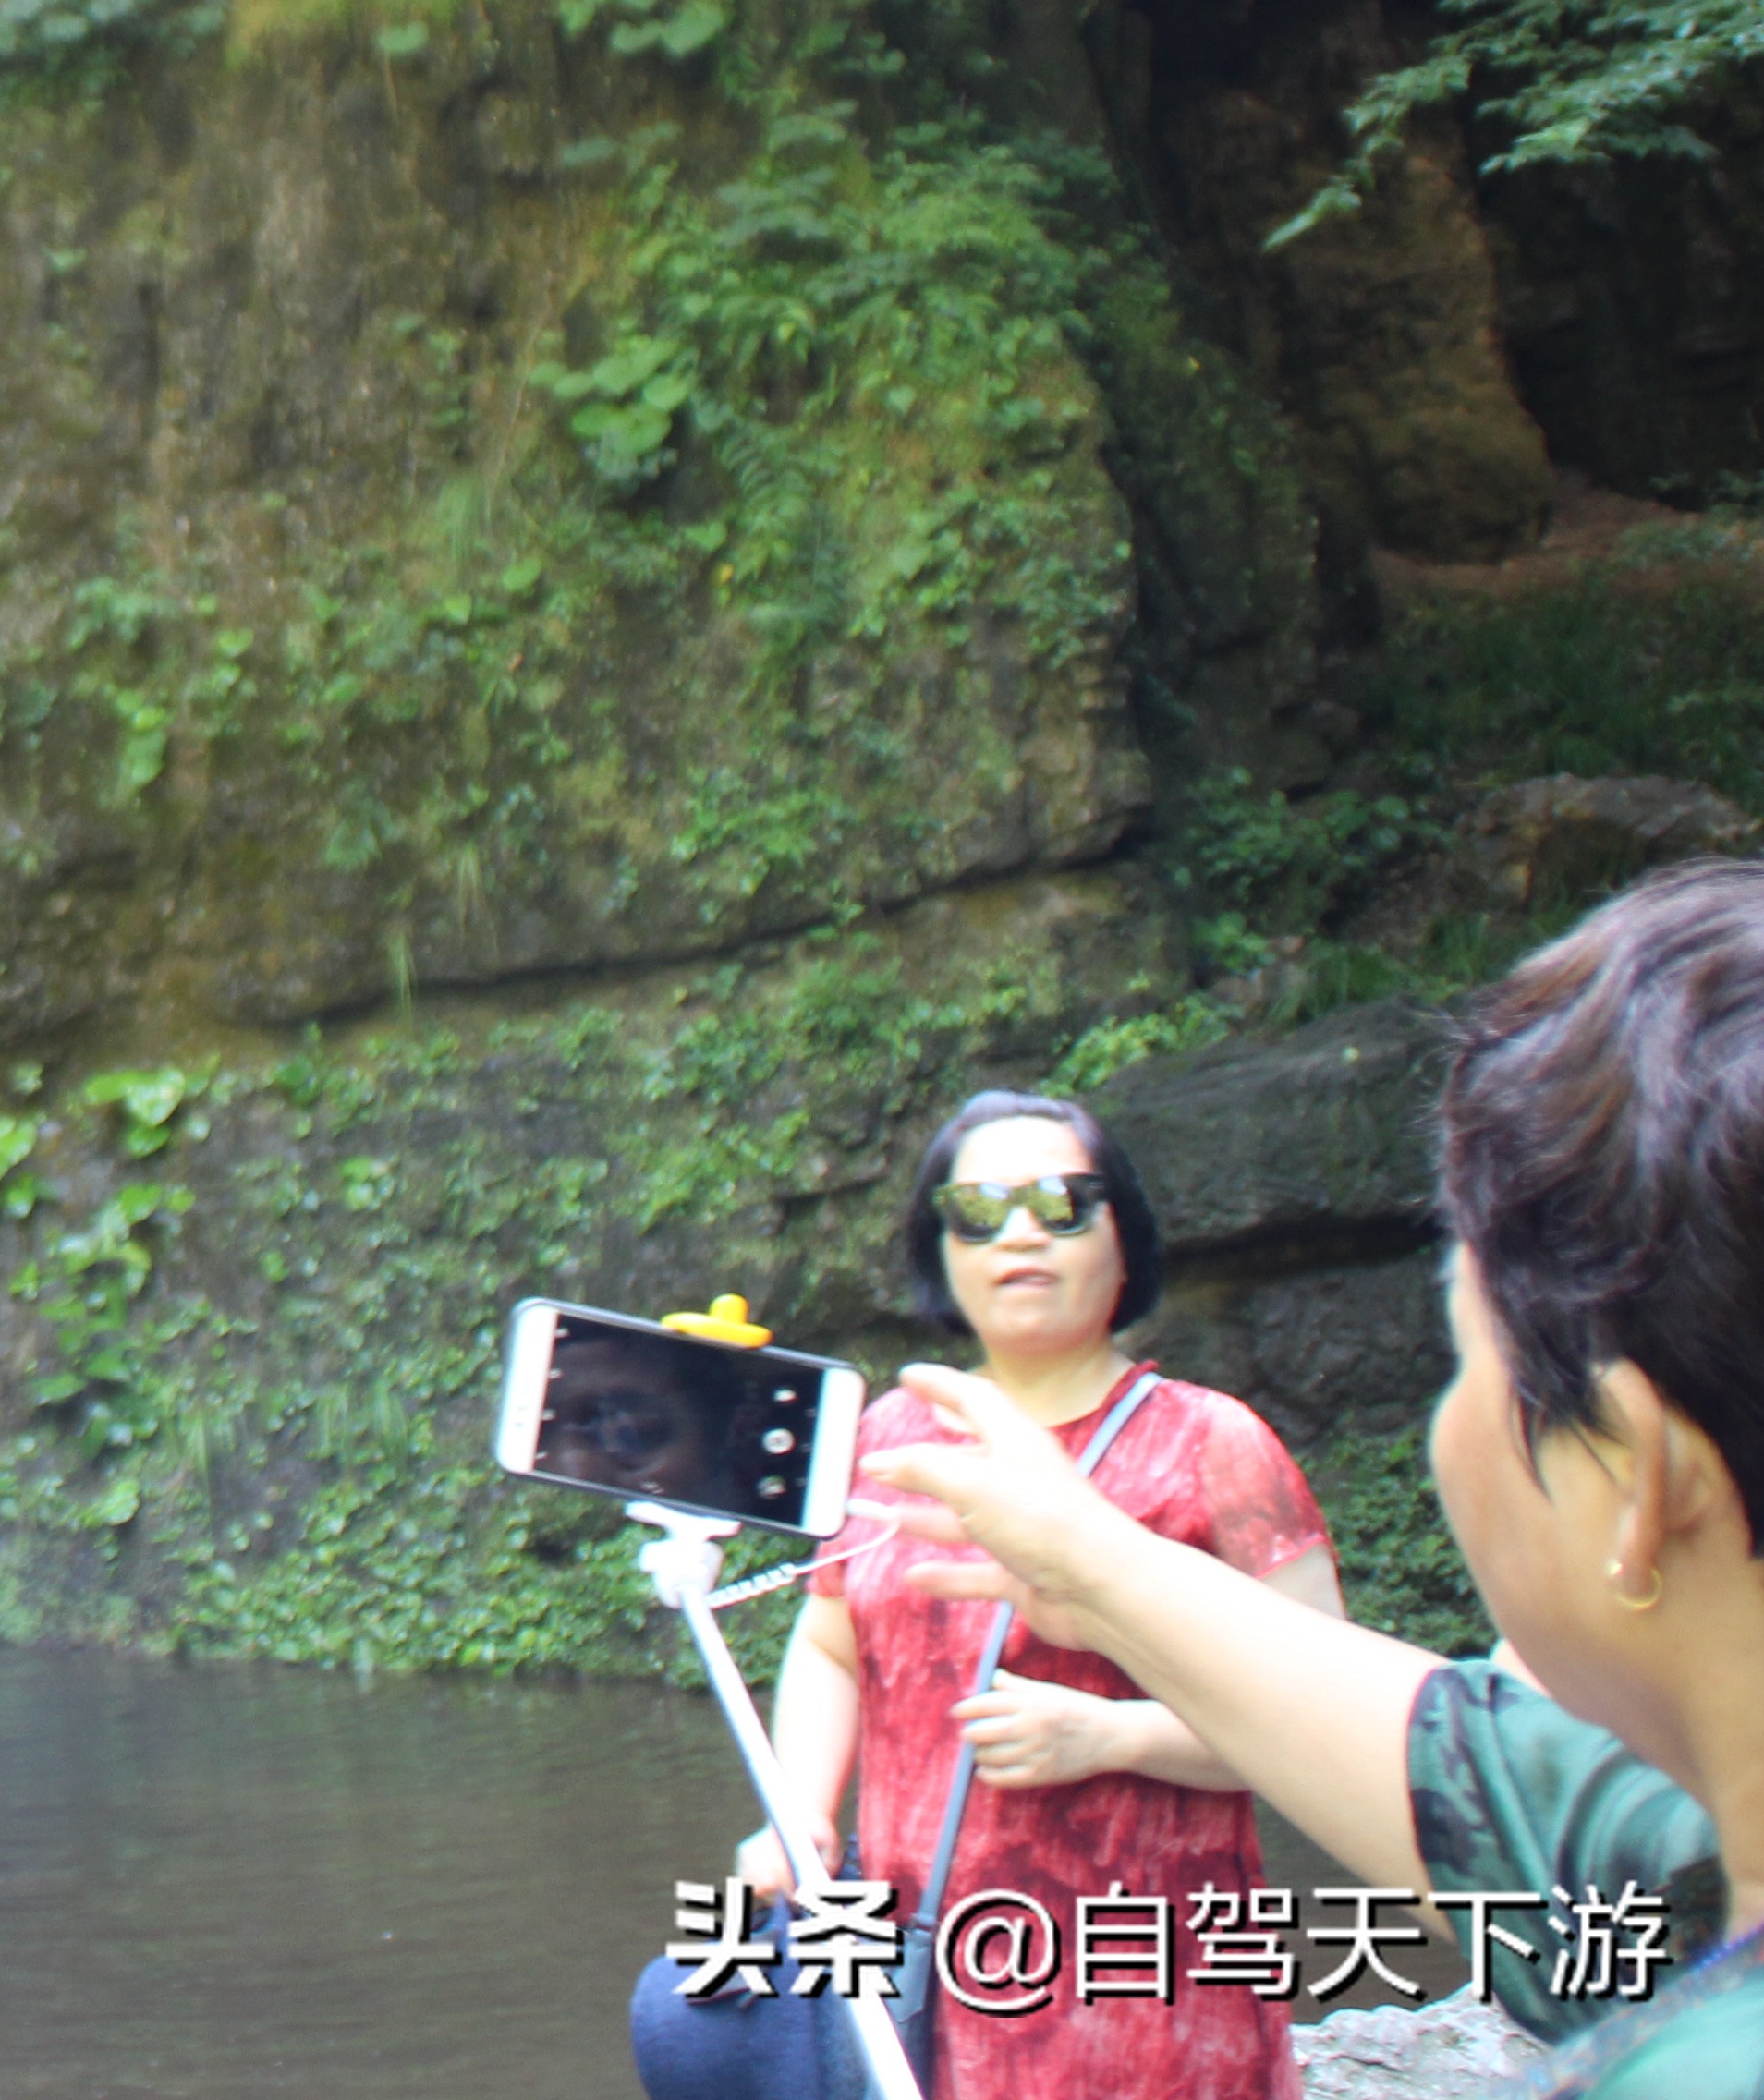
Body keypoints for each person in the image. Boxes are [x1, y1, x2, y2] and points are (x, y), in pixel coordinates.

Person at [870, 867, 1764, 2096]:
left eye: (1466, 1362)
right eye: (981, 1213)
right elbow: (1460, 1775)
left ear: (1637, 1484)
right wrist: (1097, 1566)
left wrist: (1108, 1697)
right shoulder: (1680, 1842)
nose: (1022, 1239)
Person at [740, 1089, 1340, 2100]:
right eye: (978, 1210)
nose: (1021, 1232)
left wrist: (1118, 1736)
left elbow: (1329, 1710)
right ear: (943, 1253)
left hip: (1148, 1985)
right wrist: (800, 1809)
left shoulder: (1211, 1443)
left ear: (1124, 1242)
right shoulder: (893, 1433)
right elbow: (833, 1643)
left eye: (1062, 1203)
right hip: (922, 1964)